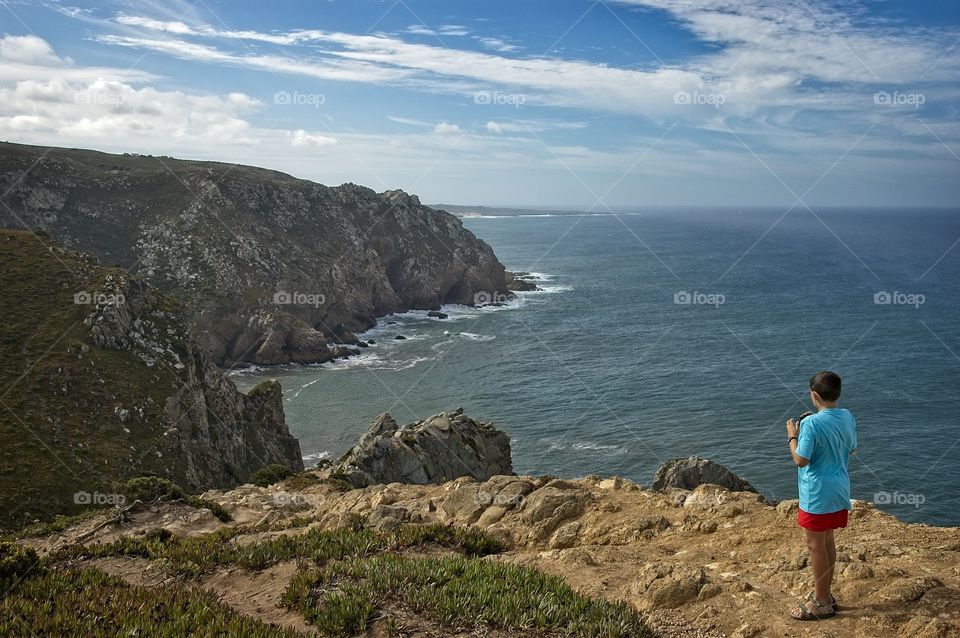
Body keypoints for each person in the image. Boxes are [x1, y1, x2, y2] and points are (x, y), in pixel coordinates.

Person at [785, 370, 857, 621]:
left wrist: (793, 435)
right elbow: (851, 450)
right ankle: (824, 593)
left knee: (815, 545)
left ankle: (821, 602)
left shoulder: (811, 424)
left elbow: (801, 460)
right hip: (838, 489)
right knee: (827, 541)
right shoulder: (847, 416)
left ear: (814, 395)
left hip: (816, 493)